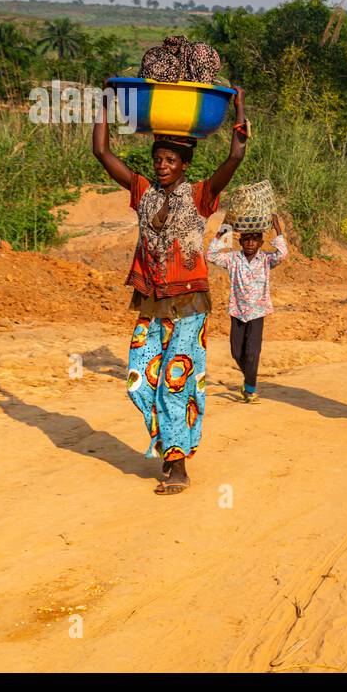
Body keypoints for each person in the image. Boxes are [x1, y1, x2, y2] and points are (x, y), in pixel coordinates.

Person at [92, 83, 248, 495]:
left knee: (175, 382)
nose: (162, 165)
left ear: (184, 165)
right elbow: (103, 154)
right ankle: (171, 443)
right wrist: (105, 103)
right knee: (140, 380)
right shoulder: (142, 191)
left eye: (170, 160)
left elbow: (234, 157)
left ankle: (176, 464)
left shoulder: (200, 197)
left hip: (190, 304)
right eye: (158, 159)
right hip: (152, 302)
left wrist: (239, 113)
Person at [207, 212, 289, 403]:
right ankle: (250, 377)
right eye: (246, 239)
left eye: (255, 240)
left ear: (261, 243)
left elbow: (283, 254)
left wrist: (277, 228)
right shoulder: (233, 259)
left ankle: (250, 389)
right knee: (237, 352)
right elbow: (210, 255)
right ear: (240, 242)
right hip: (237, 311)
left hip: (257, 312)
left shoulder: (267, 260)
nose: (250, 243)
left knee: (252, 353)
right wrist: (224, 228)